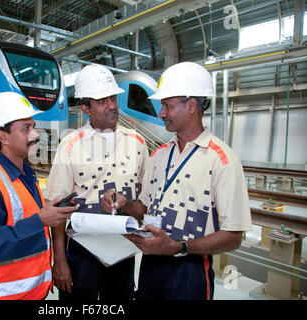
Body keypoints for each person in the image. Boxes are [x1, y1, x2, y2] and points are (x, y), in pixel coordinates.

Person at [102, 61, 253, 300]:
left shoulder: (221, 160)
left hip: (190, 271)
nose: (161, 113)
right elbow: (145, 208)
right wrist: (125, 204)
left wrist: (180, 248)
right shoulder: (159, 155)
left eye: (167, 106)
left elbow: (234, 236)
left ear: (191, 105)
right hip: (151, 265)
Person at [43, 64, 149, 301]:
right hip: (83, 252)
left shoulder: (137, 143)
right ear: (86, 109)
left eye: (112, 98)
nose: (111, 105)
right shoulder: (70, 145)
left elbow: (145, 199)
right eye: (102, 101)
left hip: (123, 249)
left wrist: (128, 205)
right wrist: (59, 261)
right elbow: (57, 210)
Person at [0, 92, 78, 300]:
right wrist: (40, 220)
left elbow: (22, 216)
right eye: (26, 129)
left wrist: (48, 210)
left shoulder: (27, 175)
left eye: (33, 127)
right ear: (3, 137)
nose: (35, 135)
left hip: (34, 292)